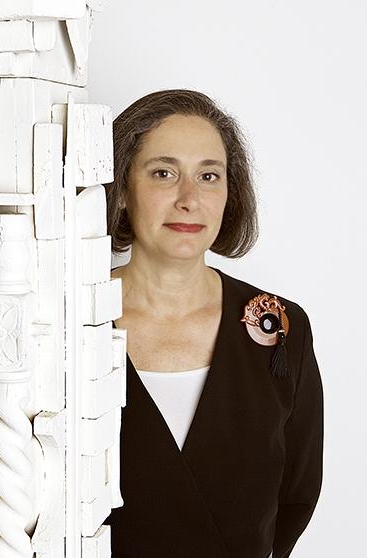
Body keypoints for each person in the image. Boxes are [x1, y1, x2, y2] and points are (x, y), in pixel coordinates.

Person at [103, 88, 324, 558]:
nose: (189, 199)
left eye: (209, 176)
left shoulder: (279, 326)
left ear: (229, 192)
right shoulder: (65, 320)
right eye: (163, 173)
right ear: (122, 189)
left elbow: (298, 492)